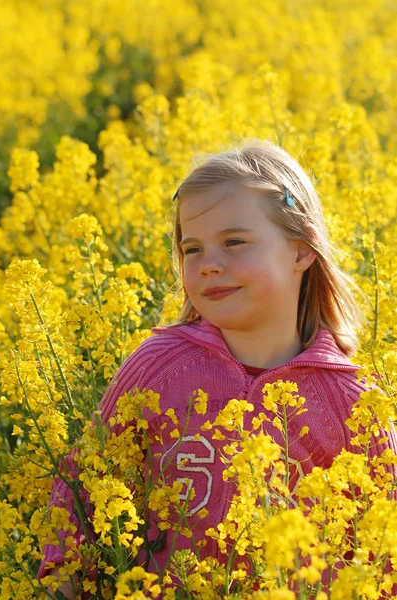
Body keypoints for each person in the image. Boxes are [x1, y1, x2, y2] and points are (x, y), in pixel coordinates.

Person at [38, 140, 397, 598]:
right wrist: (63, 580)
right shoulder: (156, 366)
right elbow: (82, 489)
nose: (209, 265)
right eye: (192, 249)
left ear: (302, 250)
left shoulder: (352, 403)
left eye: (234, 242)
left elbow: (383, 554)